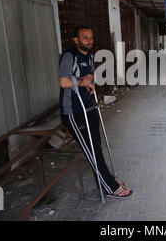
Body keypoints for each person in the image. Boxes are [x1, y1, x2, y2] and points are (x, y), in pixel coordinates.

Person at [59, 25, 132, 199]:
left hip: (88, 106)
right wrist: (81, 81)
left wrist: (88, 79)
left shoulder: (89, 55)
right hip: (73, 111)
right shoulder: (69, 56)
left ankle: (104, 180)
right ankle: (109, 186)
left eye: (91, 37)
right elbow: (63, 82)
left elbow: (90, 73)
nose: (89, 41)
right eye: (85, 38)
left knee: (96, 147)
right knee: (91, 151)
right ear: (76, 40)